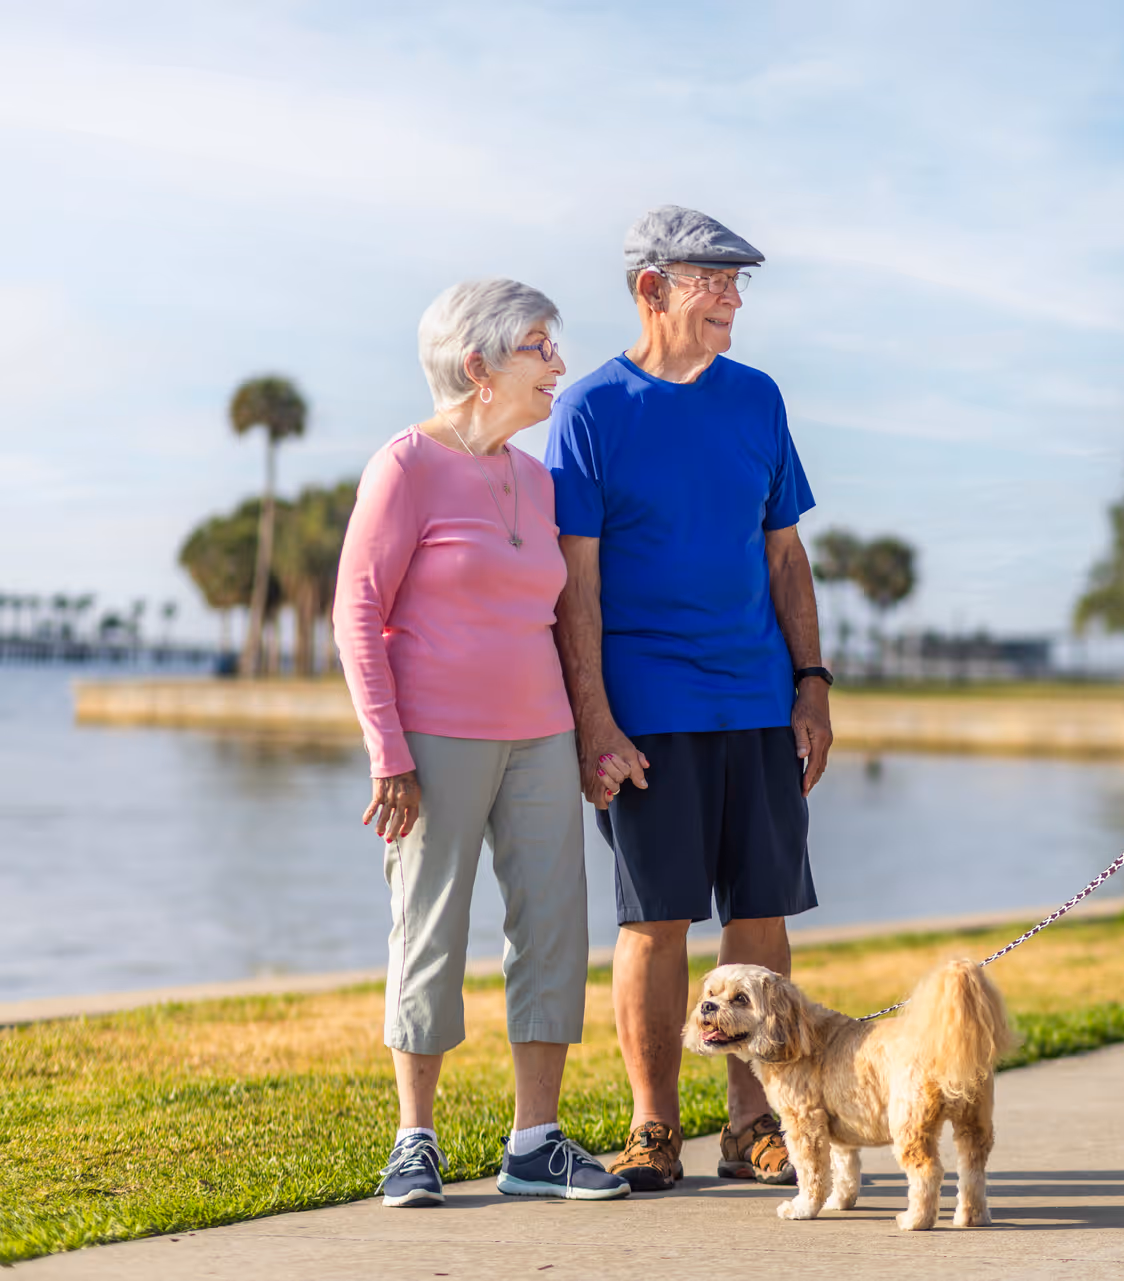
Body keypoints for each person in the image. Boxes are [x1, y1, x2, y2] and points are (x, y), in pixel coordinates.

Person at [546, 206, 832, 1192]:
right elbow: (574, 583)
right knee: (654, 919)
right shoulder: (588, 412)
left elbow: (786, 557)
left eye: (737, 282)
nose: (733, 299)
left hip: (758, 701)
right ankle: (653, 1127)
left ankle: (753, 1121)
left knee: (759, 916)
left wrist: (813, 686)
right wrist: (594, 719)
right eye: (714, 280)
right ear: (650, 288)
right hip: (647, 717)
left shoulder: (759, 401)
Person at [334, 278, 629, 1208]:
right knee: (429, 930)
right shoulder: (406, 465)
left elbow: (557, 617)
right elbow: (357, 612)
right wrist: (388, 748)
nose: (558, 366)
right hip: (433, 735)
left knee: (551, 929)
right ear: (479, 365)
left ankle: (534, 1142)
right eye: (540, 347)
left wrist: (592, 736)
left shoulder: (536, 479)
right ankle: (412, 1140)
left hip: (540, 734)